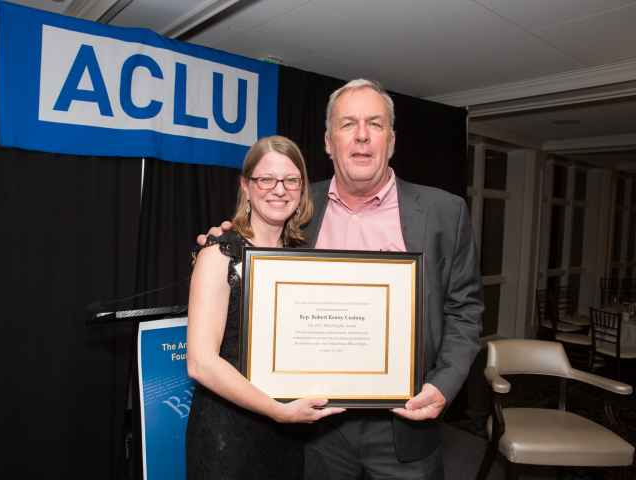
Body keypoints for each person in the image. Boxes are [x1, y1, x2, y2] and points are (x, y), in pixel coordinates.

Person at [198, 79, 483, 479]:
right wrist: (221, 241)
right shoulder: (296, 207)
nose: (362, 136)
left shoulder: (444, 212)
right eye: (348, 124)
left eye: (375, 124)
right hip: (317, 430)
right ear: (329, 142)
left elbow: (465, 310)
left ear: (392, 140)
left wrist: (443, 385)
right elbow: (250, 249)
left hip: (405, 425)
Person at [186, 135, 345, 480]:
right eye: (266, 179)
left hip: (288, 432)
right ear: (246, 186)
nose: (279, 189)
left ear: (302, 189)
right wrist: (277, 411)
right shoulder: (219, 253)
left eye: (291, 180)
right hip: (227, 432)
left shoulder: (304, 256)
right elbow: (201, 363)